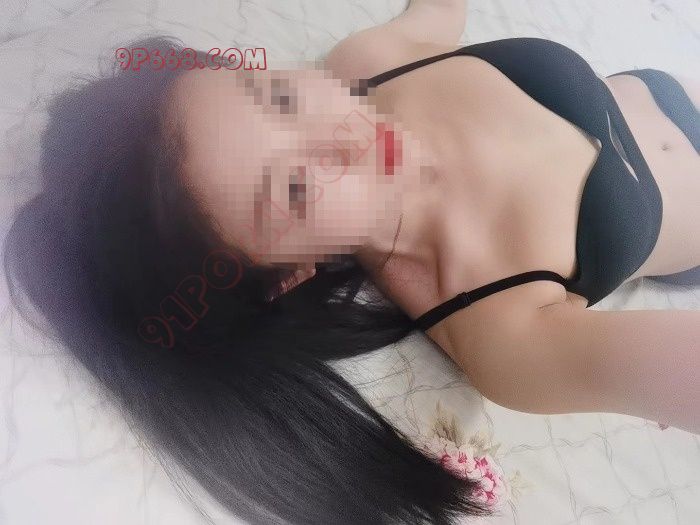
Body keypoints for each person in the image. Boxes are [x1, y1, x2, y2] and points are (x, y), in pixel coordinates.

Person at [3, 1, 699, 524]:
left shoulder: (364, 66)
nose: (340, 134)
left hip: (663, 84)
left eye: (279, 98)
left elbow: (439, 11)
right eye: (295, 189)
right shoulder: (501, 324)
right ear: (290, 272)